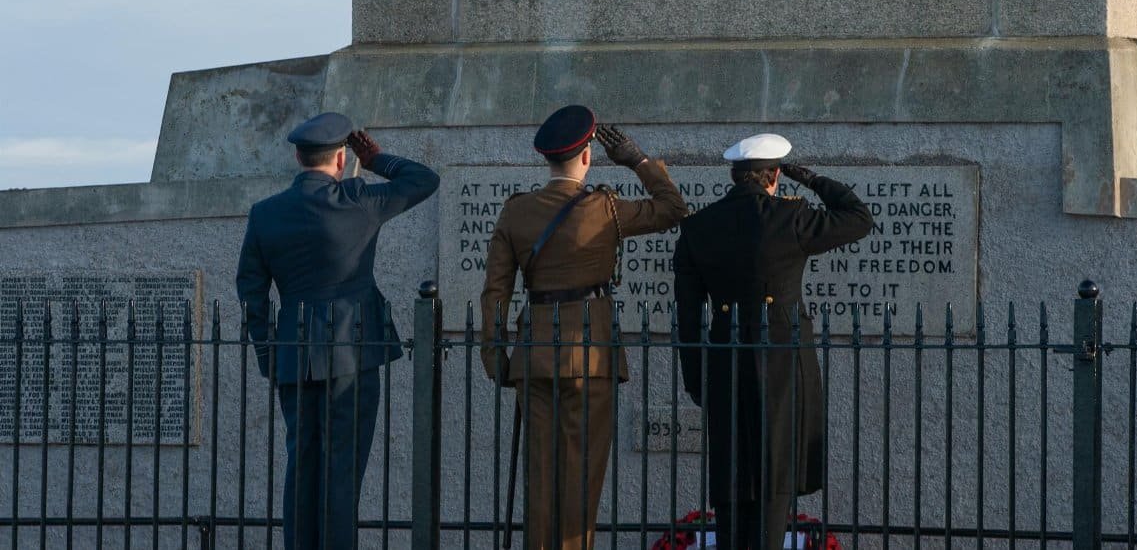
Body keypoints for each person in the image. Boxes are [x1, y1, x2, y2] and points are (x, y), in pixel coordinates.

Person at [480, 105, 687, 550]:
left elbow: (495, 292)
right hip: (591, 358)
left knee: (540, 481)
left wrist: (495, 354)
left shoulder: (515, 212)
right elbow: (674, 209)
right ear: (587, 156)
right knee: (580, 481)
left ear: (549, 160)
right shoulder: (603, 208)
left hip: (534, 358)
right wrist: (636, 159)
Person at [236, 112, 439, 550]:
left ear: (297, 156)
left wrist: (269, 356)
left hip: (293, 356)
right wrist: (378, 159)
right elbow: (424, 179)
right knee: (341, 474)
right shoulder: (357, 197)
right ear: (342, 158)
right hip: (353, 352)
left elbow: (251, 294)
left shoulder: (265, 214)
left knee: (301, 468)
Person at [673, 133, 873, 550]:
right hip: (782, 360)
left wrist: (697, 380)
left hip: (724, 361)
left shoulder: (698, 226)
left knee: (732, 471)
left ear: (734, 177)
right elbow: (858, 216)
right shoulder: (790, 218)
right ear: (775, 175)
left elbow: (689, 317)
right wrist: (813, 179)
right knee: (775, 472)